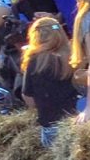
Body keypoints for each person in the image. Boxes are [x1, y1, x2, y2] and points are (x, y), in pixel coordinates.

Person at [21, 18, 78, 146]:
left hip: (50, 124)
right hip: (75, 122)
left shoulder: (34, 61)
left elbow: (27, 95)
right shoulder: (74, 58)